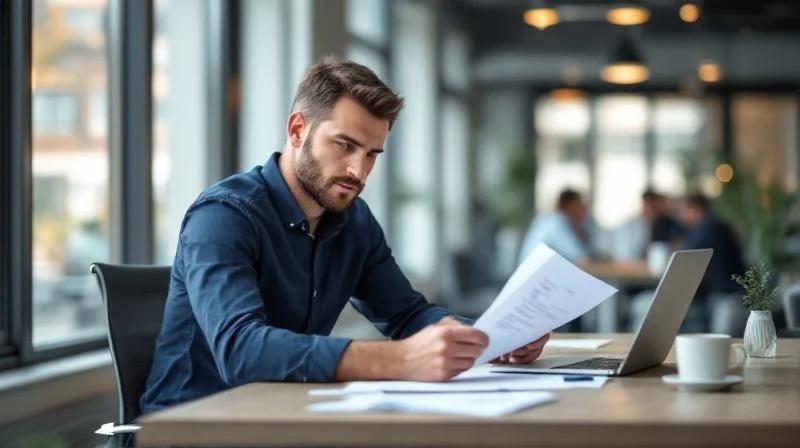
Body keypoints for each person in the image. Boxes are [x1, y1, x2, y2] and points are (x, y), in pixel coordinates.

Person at [140, 59, 549, 414]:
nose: (359, 170)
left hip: (287, 417)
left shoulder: (354, 221)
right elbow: (241, 350)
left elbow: (406, 315)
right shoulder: (223, 216)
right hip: (193, 428)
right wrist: (400, 359)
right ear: (298, 129)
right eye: (345, 145)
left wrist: (489, 337)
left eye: (372, 153)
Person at [679, 192, 748, 335]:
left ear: (695, 208)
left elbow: (686, 260)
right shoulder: (719, 226)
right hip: (735, 292)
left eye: (684, 210)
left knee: (720, 338)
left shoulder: (705, 229)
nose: (682, 216)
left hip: (726, 296)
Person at [517, 188, 597, 265]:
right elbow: (582, 261)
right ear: (569, 206)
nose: (585, 213)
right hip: (538, 277)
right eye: (581, 206)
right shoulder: (557, 223)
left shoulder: (547, 220)